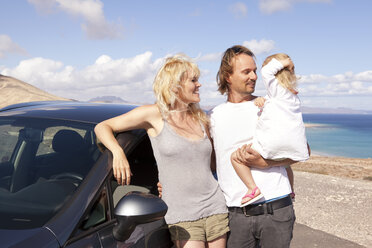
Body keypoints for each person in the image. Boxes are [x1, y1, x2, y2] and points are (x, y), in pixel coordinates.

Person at [94, 54, 229, 248]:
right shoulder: (155, 114)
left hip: (215, 205)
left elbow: (210, 165)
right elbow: (103, 127)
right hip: (182, 212)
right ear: (174, 85)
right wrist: (118, 153)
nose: (199, 85)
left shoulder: (202, 119)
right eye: (193, 80)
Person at [210, 45, 299, 248]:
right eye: (246, 71)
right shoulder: (214, 116)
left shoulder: (269, 105)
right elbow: (209, 163)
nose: (254, 76)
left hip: (276, 211)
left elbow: (302, 150)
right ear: (227, 76)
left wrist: (265, 163)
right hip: (235, 215)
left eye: (255, 71)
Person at [230, 53, 309, 207]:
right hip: (294, 147)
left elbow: (267, 73)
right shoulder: (292, 96)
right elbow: (275, 106)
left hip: (271, 146)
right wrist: (263, 101)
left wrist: (284, 62)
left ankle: (252, 189)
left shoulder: (276, 90)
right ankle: (290, 190)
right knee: (285, 165)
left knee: (235, 158)